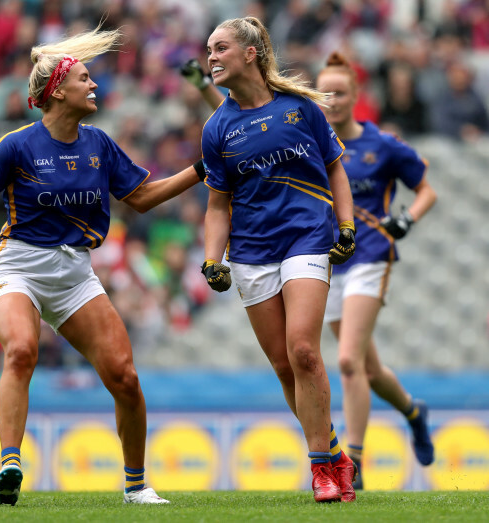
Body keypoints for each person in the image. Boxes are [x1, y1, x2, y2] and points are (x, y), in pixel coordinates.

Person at [0, 25, 206, 506]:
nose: (94, 85)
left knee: (125, 376)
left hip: (75, 274)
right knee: (20, 351)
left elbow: (141, 197)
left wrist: (202, 169)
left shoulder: (99, 143)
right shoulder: (15, 145)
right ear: (57, 91)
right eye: (84, 78)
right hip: (20, 267)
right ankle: (11, 461)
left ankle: (137, 486)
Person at [197, 17, 357, 503]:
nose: (211, 57)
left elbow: (335, 170)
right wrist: (212, 260)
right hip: (251, 254)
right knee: (285, 367)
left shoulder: (302, 109)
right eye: (208, 50)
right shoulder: (217, 127)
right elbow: (217, 206)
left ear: (251, 53)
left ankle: (320, 470)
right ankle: (333, 451)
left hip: (307, 240)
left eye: (220, 47)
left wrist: (346, 226)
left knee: (304, 351)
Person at [315, 52, 437, 489]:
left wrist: (407, 218)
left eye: (341, 92)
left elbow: (426, 191)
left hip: (371, 257)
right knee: (367, 368)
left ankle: (357, 462)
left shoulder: (382, 146)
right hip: (328, 261)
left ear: (356, 96)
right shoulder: (308, 146)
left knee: (347, 360)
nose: (332, 100)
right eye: (324, 92)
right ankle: (413, 412)